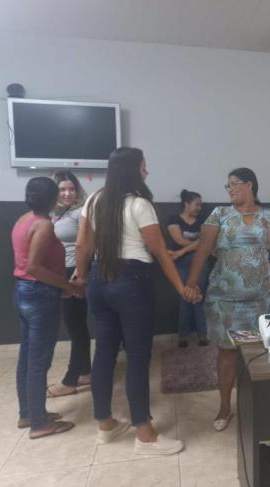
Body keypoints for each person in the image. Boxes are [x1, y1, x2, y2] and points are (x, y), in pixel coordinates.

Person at [75, 147, 200, 455]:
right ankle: (144, 434)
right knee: (138, 357)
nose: (146, 172)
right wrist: (181, 287)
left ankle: (105, 424)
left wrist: (81, 279)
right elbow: (159, 252)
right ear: (133, 170)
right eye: (144, 167)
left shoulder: (93, 200)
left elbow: (82, 246)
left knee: (104, 353)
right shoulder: (139, 204)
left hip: (98, 279)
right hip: (131, 282)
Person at [186, 168, 270, 432]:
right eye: (227, 186)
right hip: (225, 299)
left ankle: (255, 404)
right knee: (227, 352)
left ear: (249, 185)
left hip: (261, 299)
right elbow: (204, 249)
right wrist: (191, 283)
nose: (229, 189)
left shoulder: (269, 216)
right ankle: (225, 406)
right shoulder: (219, 214)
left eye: (233, 184)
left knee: (257, 352)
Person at [12, 177, 83, 439]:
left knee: (27, 357)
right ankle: (39, 424)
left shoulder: (23, 220)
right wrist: (68, 286)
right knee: (38, 361)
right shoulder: (43, 225)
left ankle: (28, 413)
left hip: (24, 292)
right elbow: (34, 267)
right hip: (39, 294)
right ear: (53, 198)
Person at [46, 171, 91, 398]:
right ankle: (85, 372)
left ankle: (71, 380)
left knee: (76, 327)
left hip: (74, 273)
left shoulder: (80, 212)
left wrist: (78, 275)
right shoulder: (54, 214)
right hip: (60, 273)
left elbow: (89, 246)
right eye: (62, 189)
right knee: (75, 325)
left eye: (71, 188)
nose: (67, 193)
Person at [167, 189, 209, 348]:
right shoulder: (174, 219)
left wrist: (181, 251)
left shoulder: (203, 220)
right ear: (187, 204)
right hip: (181, 263)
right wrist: (195, 246)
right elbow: (179, 240)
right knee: (185, 295)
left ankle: (202, 334)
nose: (199, 208)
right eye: (197, 204)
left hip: (200, 261)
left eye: (200, 205)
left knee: (199, 296)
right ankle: (183, 335)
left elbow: (205, 241)